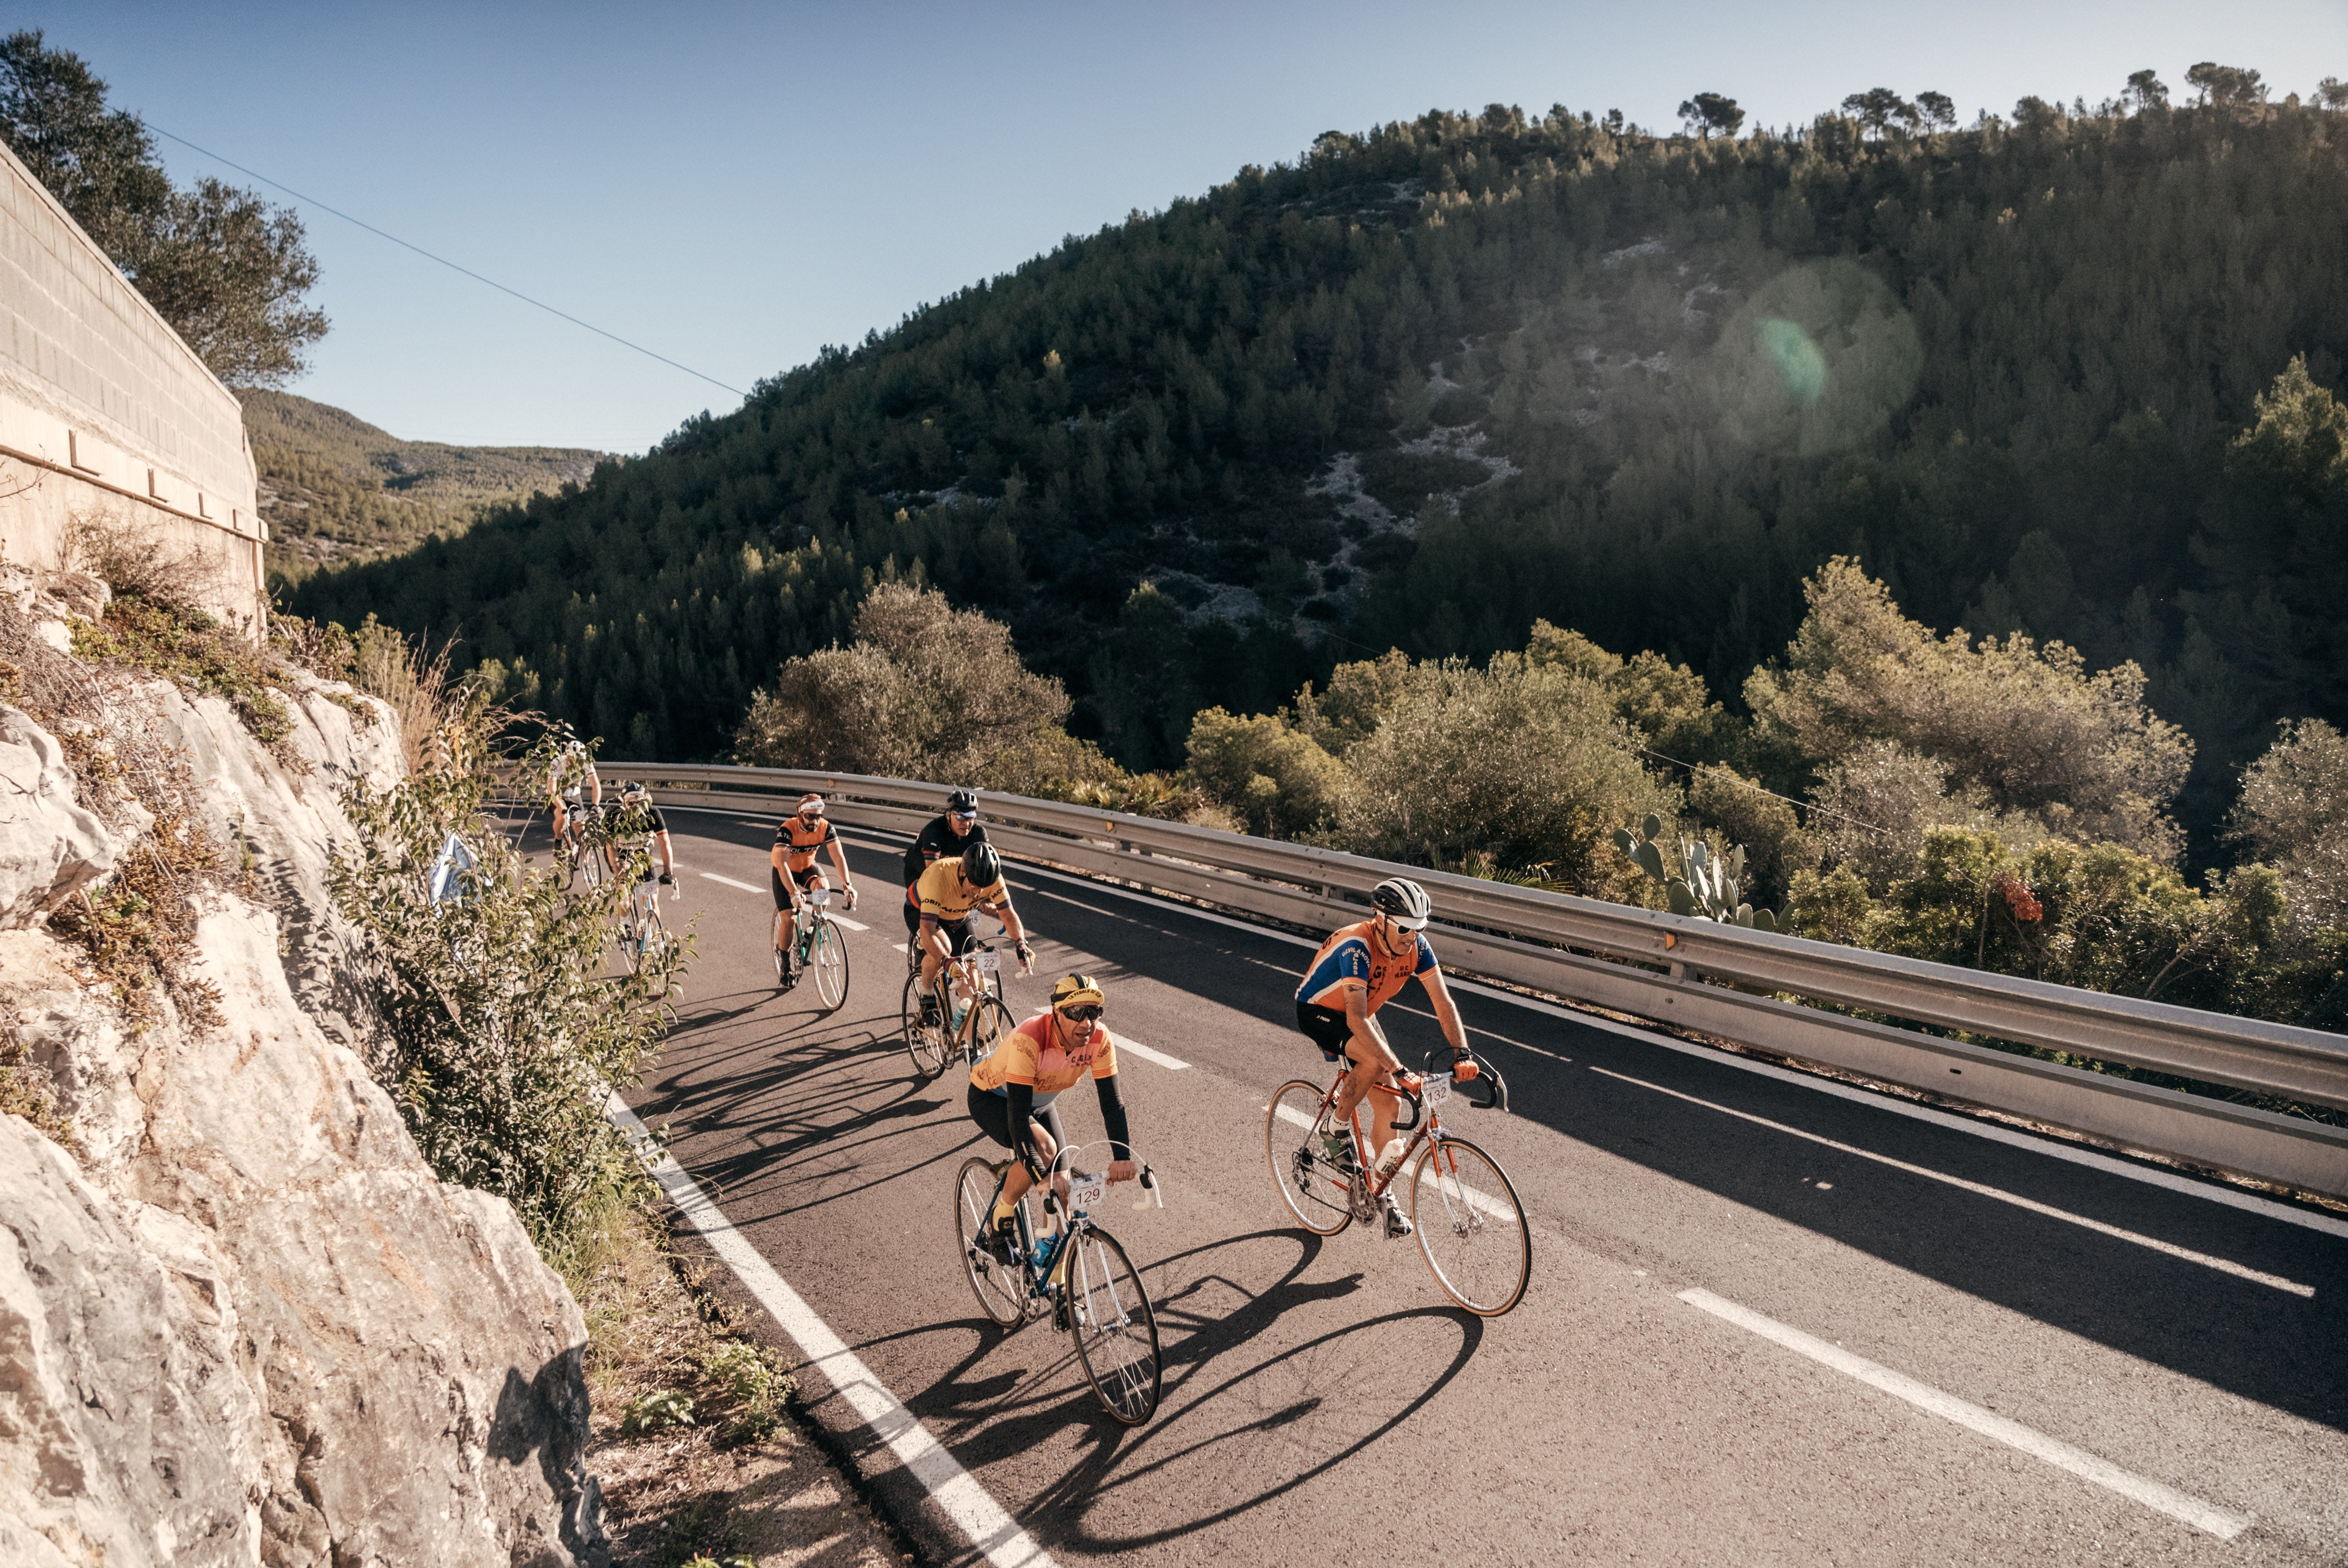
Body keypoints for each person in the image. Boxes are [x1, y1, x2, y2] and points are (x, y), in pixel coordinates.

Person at [1294, 876, 1473, 1239]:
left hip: (1359, 1011)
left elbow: (1443, 1002)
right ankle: (1335, 1126)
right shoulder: (1357, 947)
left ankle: (1383, 1191)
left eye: (1419, 929)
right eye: (1405, 928)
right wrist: (1401, 1069)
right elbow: (1356, 1020)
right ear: (1381, 919)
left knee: (1390, 1109)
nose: (1412, 937)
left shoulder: (1416, 948)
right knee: (1377, 1063)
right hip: (1320, 1011)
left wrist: (1463, 1052)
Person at [967, 973, 1136, 1260]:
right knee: (1044, 1151)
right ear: (1056, 1013)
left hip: (1040, 1102)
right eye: (1076, 1012)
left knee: (1064, 1192)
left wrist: (1121, 1156)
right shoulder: (1030, 1039)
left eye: (1093, 1012)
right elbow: (1018, 1116)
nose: (1086, 1022)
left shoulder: (1100, 1039)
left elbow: (1112, 1104)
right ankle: (1001, 1216)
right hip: (994, 1097)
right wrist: (1040, 1177)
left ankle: (1055, 1283)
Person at [914, 839, 1033, 1024]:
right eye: (975, 885)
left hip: (958, 916)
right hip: (922, 912)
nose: (978, 893)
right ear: (963, 872)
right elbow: (927, 930)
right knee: (943, 949)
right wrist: (946, 961)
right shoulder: (938, 875)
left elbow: (1008, 915)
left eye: (984, 888)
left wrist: (1021, 944)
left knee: (971, 974)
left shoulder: (992, 879)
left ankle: (967, 1043)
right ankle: (927, 994)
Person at [771, 792, 857, 984]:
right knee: (789, 919)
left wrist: (848, 885)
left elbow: (838, 856)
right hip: (785, 872)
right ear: (800, 814)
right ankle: (785, 964)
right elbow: (783, 864)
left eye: (819, 816)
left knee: (823, 889)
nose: (815, 821)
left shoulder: (826, 828)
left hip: (807, 867)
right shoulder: (787, 829)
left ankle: (812, 927)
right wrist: (794, 893)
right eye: (810, 816)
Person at [902, 787, 988, 950]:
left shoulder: (978, 833)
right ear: (949, 814)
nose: (966, 823)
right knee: (937, 909)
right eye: (961, 817)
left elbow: (987, 867)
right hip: (919, 872)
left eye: (971, 817)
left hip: (954, 874)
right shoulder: (934, 831)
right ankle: (926, 947)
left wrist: (986, 899)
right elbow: (934, 875)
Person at [606, 780, 676, 886]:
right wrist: (619, 872)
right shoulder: (615, 815)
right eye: (630, 803)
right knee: (626, 896)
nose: (635, 807)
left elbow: (665, 844)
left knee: (652, 898)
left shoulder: (653, 814)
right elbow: (611, 849)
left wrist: (668, 873)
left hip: (642, 853)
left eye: (639, 803)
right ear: (623, 803)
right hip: (620, 854)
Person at [548, 739, 600, 853]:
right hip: (558, 796)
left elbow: (596, 785)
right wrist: (562, 807)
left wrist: (595, 805)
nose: (578, 762)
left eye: (580, 759)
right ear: (568, 756)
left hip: (575, 797)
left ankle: (586, 866)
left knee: (583, 835)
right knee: (563, 818)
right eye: (575, 759)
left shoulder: (586, 763)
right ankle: (558, 839)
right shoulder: (556, 763)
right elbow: (551, 789)